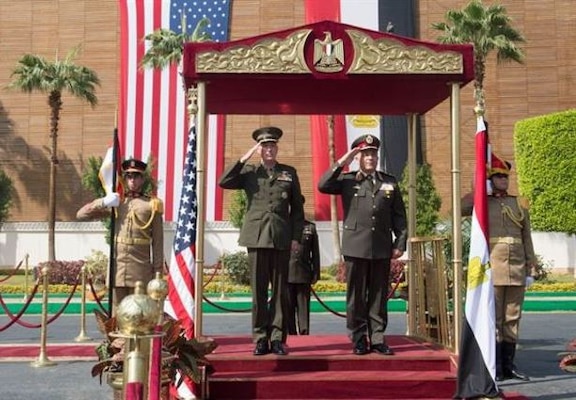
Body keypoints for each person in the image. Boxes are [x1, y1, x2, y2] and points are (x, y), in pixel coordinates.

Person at [318, 134, 407, 356]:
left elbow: (399, 216)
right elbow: (323, 185)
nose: (370, 158)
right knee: (356, 296)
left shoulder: (389, 181)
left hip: (381, 246)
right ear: (359, 157)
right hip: (355, 246)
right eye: (365, 154)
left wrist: (400, 242)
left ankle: (377, 337)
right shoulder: (348, 180)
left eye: (373, 154)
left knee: (378, 294)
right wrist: (343, 161)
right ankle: (358, 337)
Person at [219, 126, 305, 356]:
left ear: (277, 148)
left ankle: (277, 337)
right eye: (264, 146)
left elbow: (297, 209)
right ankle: (260, 337)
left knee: (280, 292)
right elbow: (224, 181)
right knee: (258, 292)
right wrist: (244, 157)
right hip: (256, 237)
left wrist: (296, 237)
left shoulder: (289, 173)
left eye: (272, 145)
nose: (269, 149)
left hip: (280, 237)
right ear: (259, 149)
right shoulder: (249, 172)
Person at [462, 153, 538, 381]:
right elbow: (460, 208)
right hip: (492, 267)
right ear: (490, 180)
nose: (504, 181)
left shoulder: (519, 203)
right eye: (498, 177)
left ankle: (509, 365)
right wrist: (479, 191)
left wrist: (530, 266)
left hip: (516, 267)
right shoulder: (483, 202)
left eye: (505, 178)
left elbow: (527, 236)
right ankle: (493, 364)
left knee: (512, 317)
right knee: (493, 318)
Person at [76, 158, 164, 312]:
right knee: (117, 314)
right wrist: (103, 202)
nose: (132, 180)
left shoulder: (151, 204)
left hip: (140, 269)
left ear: (142, 179)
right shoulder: (117, 202)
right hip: (118, 269)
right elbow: (81, 215)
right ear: (124, 178)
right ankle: (118, 338)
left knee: (139, 313)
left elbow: (158, 242)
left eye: (136, 176)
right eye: (129, 176)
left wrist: (157, 274)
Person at [287, 196, 321, 335]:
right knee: (288, 307)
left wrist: (316, 273)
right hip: (286, 273)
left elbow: (316, 253)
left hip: (303, 273)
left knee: (303, 307)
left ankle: (304, 332)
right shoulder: (283, 227)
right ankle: (291, 333)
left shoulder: (310, 227)